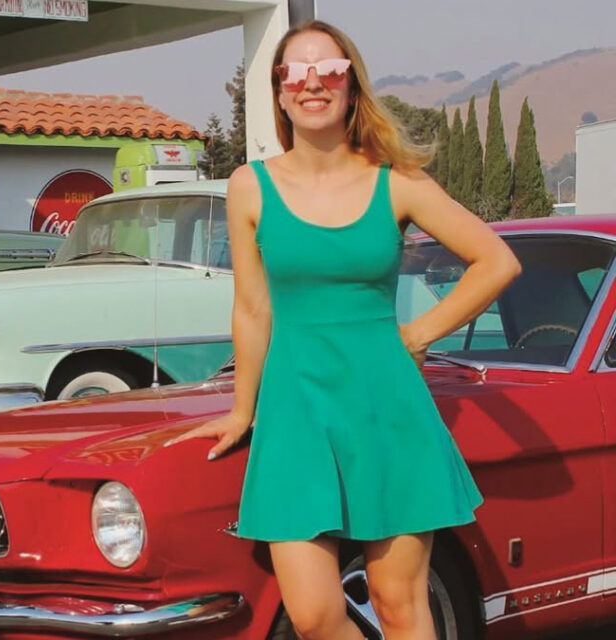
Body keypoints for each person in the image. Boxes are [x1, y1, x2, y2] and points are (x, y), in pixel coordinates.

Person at [166, 20, 521, 640]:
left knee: (398, 604)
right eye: (293, 73)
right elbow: (252, 309)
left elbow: (496, 261)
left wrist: (416, 336)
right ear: (278, 93)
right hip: (294, 413)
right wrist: (242, 409)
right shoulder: (250, 186)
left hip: (388, 410)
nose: (311, 83)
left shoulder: (398, 181)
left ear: (351, 85)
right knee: (314, 615)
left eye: (327, 70)